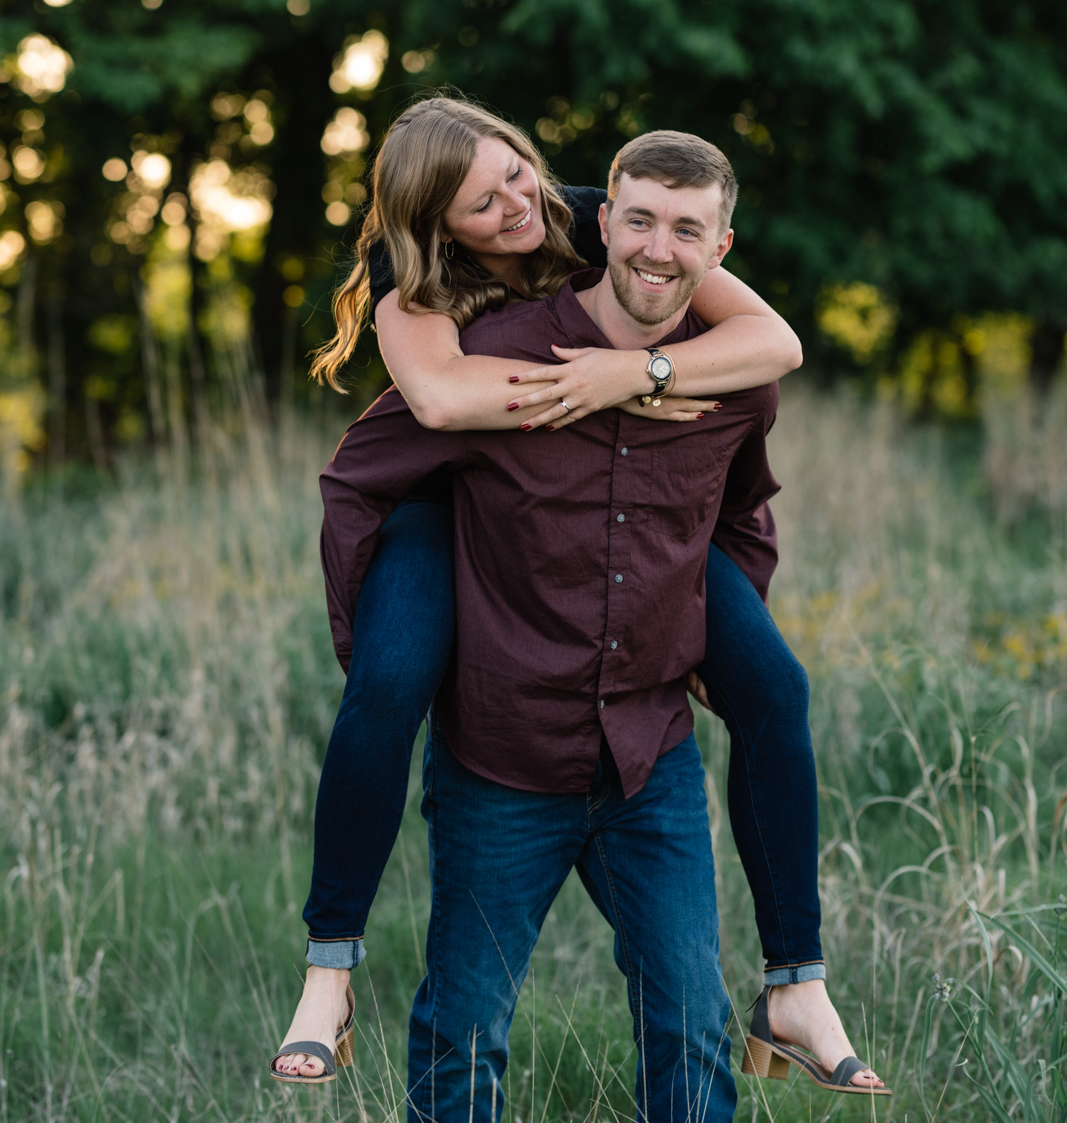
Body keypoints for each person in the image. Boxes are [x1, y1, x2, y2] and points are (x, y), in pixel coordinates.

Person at [270, 99, 884, 1096]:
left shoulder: (603, 214)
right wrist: (601, 384)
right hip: (442, 497)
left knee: (773, 683)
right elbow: (437, 402)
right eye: (482, 199)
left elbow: (772, 341)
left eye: (515, 167)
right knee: (388, 682)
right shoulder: (413, 280)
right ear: (441, 226)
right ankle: (327, 967)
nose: (517, 200)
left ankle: (795, 980)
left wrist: (639, 368)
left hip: (620, 522)